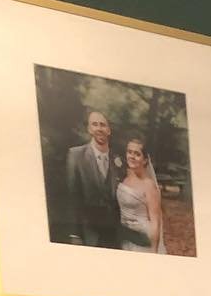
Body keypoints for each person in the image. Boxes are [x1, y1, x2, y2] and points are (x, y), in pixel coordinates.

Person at [65, 108, 121, 248]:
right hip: (88, 233)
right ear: (89, 129)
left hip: (115, 234)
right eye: (95, 124)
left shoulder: (118, 159)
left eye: (103, 125)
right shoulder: (76, 155)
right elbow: (73, 197)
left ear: (109, 130)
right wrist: (75, 234)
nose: (99, 128)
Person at [116, 137, 165, 253]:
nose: (132, 156)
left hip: (142, 239)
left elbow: (155, 222)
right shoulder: (124, 178)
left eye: (137, 154)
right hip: (124, 237)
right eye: (129, 152)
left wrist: (154, 249)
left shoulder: (149, 185)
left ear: (144, 160)